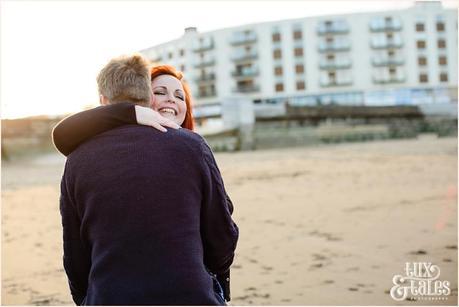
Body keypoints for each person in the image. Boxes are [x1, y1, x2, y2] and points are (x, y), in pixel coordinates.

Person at [57, 55, 238, 305]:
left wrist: (87, 298)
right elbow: (222, 238)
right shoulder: (193, 147)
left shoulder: (77, 160)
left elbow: (75, 255)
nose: (171, 100)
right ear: (150, 99)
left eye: (179, 95)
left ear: (102, 102)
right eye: (162, 92)